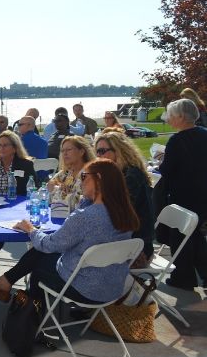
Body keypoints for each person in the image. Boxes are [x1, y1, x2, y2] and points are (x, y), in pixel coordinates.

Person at [0, 159, 139, 305]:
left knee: (40, 261)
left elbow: (49, 244)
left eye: (84, 177)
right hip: (112, 287)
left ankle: (28, 319)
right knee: (42, 253)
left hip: (85, 289)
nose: (80, 181)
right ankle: (5, 283)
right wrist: (88, 197)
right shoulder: (125, 213)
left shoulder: (86, 217)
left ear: (98, 179)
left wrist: (30, 229)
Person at [155, 99, 207, 289]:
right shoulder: (204, 134)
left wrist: (161, 162)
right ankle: (202, 273)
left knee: (180, 237)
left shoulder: (177, 140)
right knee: (194, 235)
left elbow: (167, 170)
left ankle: (183, 278)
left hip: (183, 195)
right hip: (202, 194)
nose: (168, 119)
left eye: (171, 115)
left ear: (181, 117)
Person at [0, 131, 37, 266]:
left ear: (15, 148)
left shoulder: (25, 165)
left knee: (1, 229)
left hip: (16, 209)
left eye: (5, 145)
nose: (1, 148)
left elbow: (34, 188)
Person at [95, 131, 155, 262]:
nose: (99, 156)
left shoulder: (131, 176)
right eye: (97, 152)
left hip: (135, 247)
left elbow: (116, 213)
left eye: (103, 151)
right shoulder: (116, 173)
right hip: (124, 239)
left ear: (119, 151)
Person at [47, 136, 95, 212]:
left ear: (81, 152)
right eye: (63, 151)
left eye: (69, 150)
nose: (65, 154)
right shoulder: (65, 173)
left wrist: (56, 189)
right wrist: (54, 186)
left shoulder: (89, 174)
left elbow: (78, 203)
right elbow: (47, 190)